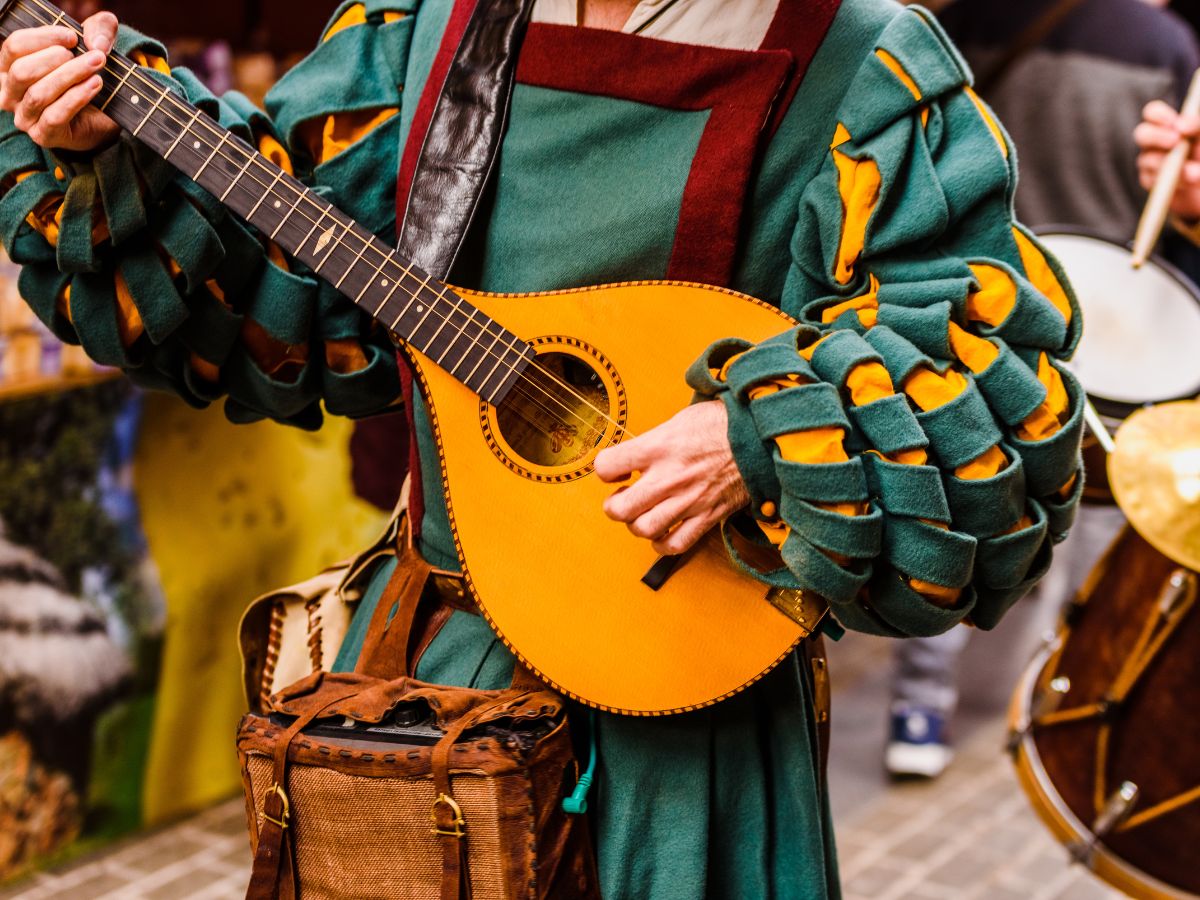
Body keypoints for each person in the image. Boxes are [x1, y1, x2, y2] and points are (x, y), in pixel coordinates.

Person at [0, 0, 1082, 895]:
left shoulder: (862, 61)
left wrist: (755, 435)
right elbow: (278, 294)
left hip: (680, 710)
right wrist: (115, 152)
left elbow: (990, 388)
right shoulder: (426, 31)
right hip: (428, 682)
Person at [879, 0, 1200, 781]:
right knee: (1101, 511)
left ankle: (919, 710)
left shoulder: (968, 22)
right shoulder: (1165, 44)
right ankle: (1060, 699)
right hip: (1110, 310)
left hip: (996, 301)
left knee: (960, 500)